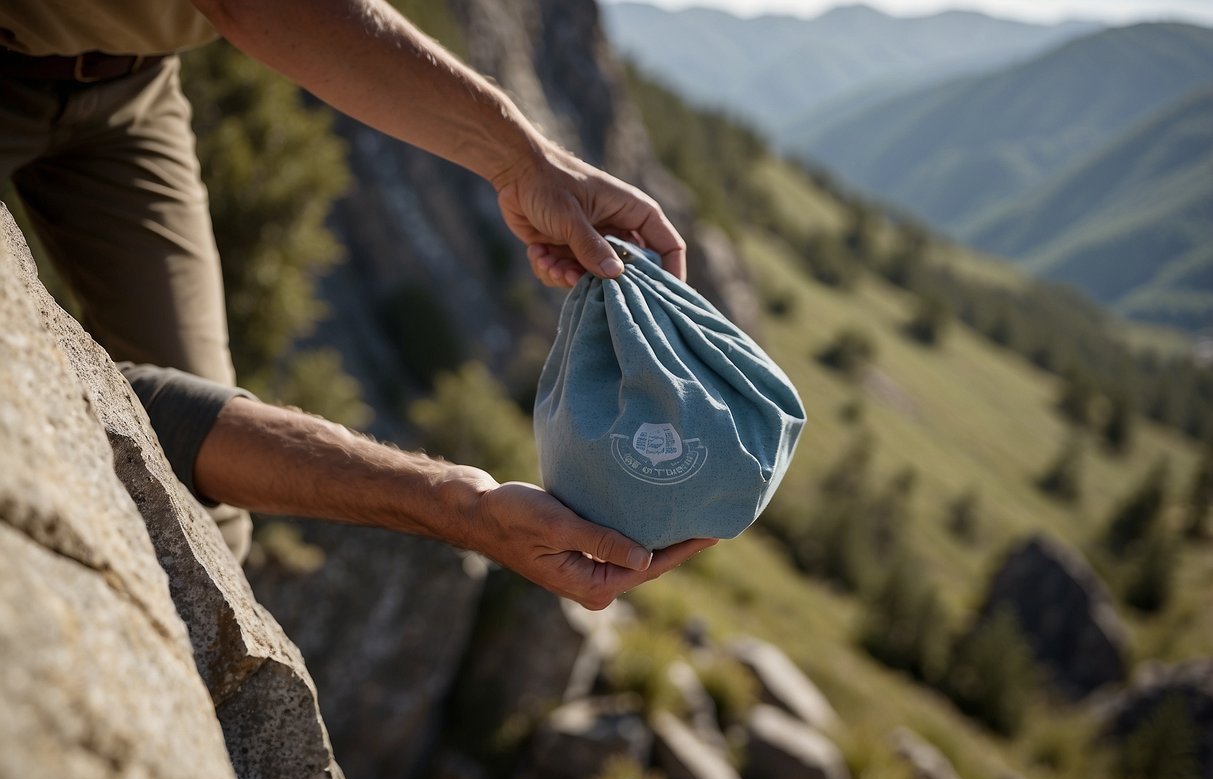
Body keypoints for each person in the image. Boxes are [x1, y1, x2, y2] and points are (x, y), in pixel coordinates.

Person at [0, 0, 713, 610]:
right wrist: (459, 507)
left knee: (205, 520)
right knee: (77, 414)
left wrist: (523, 165)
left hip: (135, 83)